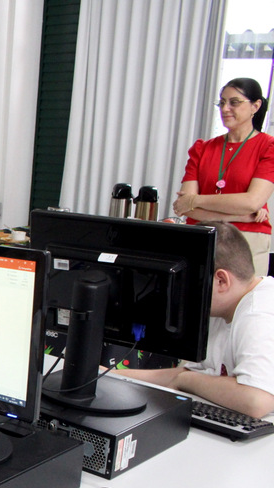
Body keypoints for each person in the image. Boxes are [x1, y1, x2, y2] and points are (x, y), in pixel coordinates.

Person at [115, 223, 274, 419]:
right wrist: (112, 375)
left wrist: (187, 380)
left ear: (221, 281)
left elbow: (257, 400)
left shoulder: (259, 314)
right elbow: (188, 374)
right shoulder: (223, 308)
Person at [173, 77, 274, 278]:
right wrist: (240, 215)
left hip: (247, 239)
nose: (225, 109)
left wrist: (196, 200)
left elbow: (251, 202)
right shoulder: (202, 149)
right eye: (222, 102)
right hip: (202, 234)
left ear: (255, 106)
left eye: (234, 102)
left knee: (244, 298)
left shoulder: (267, 147)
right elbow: (184, 207)